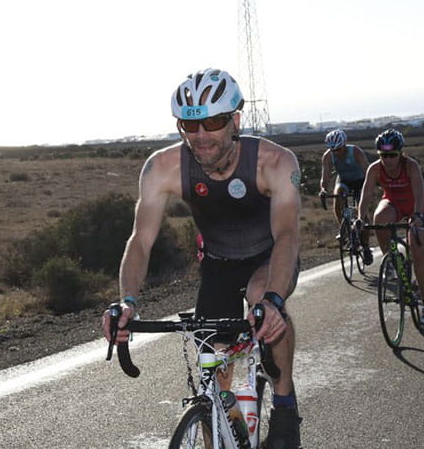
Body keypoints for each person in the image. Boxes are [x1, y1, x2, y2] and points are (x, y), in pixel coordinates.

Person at [101, 68, 302, 448]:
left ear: (235, 121)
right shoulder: (164, 167)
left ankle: (285, 400)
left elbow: (288, 235)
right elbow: (141, 240)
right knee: (214, 370)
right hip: (218, 263)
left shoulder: (275, 162)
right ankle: (221, 426)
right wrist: (127, 301)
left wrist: (274, 300)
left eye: (213, 122)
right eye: (190, 125)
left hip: (269, 258)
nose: (201, 135)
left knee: (263, 301)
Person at [357, 129, 424, 324]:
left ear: (400, 153)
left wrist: (417, 215)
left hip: (416, 206)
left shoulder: (410, 166)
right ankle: (390, 259)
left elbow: (419, 191)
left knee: (418, 253)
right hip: (394, 204)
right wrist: (359, 217)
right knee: (379, 217)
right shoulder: (375, 169)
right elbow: (366, 194)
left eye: (392, 155)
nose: (388, 160)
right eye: (384, 155)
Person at [319, 129, 373, 265]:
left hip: (361, 181)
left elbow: (367, 170)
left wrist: (369, 188)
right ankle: (343, 228)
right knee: (338, 194)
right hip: (344, 181)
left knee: (363, 214)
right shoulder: (328, 156)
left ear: (344, 145)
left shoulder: (355, 151)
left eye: (338, 149)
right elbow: (325, 177)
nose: (336, 153)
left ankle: (366, 247)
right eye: (333, 150)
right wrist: (324, 189)